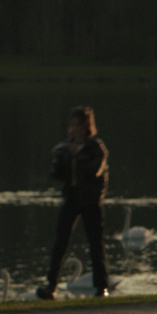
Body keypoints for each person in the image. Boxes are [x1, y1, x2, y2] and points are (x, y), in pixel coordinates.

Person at [38, 106, 110, 299]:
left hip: (91, 201)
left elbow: (95, 170)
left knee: (95, 245)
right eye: (73, 125)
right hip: (71, 200)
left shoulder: (96, 148)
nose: (76, 129)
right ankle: (50, 286)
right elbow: (57, 175)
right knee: (60, 243)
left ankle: (101, 288)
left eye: (79, 126)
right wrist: (60, 157)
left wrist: (77, 156)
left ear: (87, 127)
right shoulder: (67, 147)